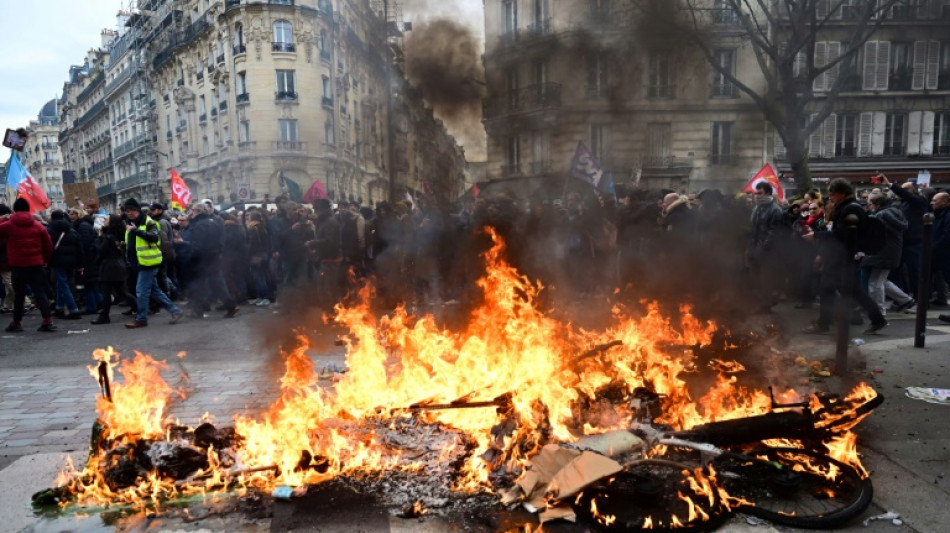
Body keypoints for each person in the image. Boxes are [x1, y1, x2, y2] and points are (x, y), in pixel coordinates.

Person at [806, 178, 888, 335]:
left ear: (842, 193)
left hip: (843, 256)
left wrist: (817, 235)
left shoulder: (850, 209)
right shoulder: (843, 207)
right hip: (838, 254)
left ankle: (826, 323)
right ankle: (874, 319)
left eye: (833, 193)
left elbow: (843, 234)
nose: (830, 196)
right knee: (841, 289)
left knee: (835, 289)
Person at [123, 198, 183, 328]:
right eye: (127, 211)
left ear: (138, 210)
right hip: (139, 262)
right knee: (154, 291)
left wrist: (136, 231)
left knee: (141, 291)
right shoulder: (130, 222)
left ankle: (141, 318)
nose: (129, 213)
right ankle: (176, 311)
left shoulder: (148, 222)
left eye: (132, 210)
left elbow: (154, 237)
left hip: (148, 262)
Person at [0, 198, 56, 332]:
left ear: (14, 209)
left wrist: (4, 218)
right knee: (40, 292)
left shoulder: (9, 225)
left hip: (17, 265)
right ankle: (47, 320)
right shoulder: (38, 225)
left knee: (19, 294)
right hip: (36, 264)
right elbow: (48, 246)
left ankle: (16, 322)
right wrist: (45, 260)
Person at [861, 192, 915, 315]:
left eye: (871, 204)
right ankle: (905, 300)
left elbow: (873, 234)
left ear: (878, 204)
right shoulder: (896, 212)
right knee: (881, 280)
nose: (870, 207)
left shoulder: (880, 215)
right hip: (891, 251)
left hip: (882, 252)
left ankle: (878, 312)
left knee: (875, 283)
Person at [186, 202, 238, 318]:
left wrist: (193, 257)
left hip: (203, 258)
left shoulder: (200, 225)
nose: (191, 212)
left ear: (198, 211)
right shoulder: (215, 222)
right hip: (214, 256)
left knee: (201, 284)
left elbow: (197, 245)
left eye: (193, 210)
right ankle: (200, 309)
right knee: (215, 282)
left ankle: (228, 305)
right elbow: (221, 240)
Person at [91, 214, 136, 324]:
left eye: (107, 219)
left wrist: (99, 238)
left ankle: (104, 316)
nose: (105, 221)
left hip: (109, 267)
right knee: (122, 291)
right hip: (119, 265)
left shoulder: (109, 237)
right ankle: (139, 308)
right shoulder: (120, 235)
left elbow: (101, 249)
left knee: (106, 292)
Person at [47, 210, 84, 319]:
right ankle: (59, 307)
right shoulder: (71, 229)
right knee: (61, 283)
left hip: (58, 261)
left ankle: (73, 309)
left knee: (63, 284)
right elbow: (80, 248)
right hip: (72, 261)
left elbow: (47, 246)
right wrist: (81, 264)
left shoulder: (50, 230)